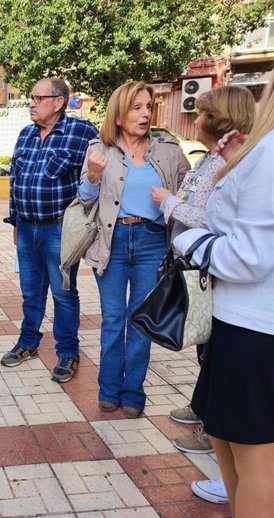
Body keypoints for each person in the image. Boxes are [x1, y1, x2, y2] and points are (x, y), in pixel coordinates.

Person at [172, 73, 274, 518]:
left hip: (254, 327)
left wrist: (188, 242)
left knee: (255, 459)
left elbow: (249, 258)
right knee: (227, 441)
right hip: (240, 322)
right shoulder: (259, 152)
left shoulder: (269, 155)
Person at [152, 86, 255, 461]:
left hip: (214, 268)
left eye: (199, 113)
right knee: (207, 346)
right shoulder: (212, 158)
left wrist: (168, 202)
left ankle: (212, 430)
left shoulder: (233, 163)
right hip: (197, 265)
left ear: (217, 119)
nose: (193, 119)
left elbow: (209, 219)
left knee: (214, 348)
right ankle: (202, 407)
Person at [79, 81, 190, 418]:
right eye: (136, 108)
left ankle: (133, 394)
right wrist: (93, 176)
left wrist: (172, 201)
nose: (145, 114)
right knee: (113, 319)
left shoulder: (168, 150)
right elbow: (84, 199)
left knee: (140, 321)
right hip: (112, 242)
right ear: (118, 114)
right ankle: (108, 390)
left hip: (152, 242)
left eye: (148, 107)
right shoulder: (99, 149)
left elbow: (193, 195)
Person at [1, 78, 98, 384]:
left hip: (60, 230)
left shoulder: (81, 132)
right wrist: (15, 220)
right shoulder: (26, 134)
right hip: (27, 230)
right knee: (31, 292)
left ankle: (68, 353)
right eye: (31, 97)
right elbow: (15, 181)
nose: (31, 102)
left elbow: (98, 175)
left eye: (38, 98)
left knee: (63, 293)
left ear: (58, 102)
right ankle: (28, 343)